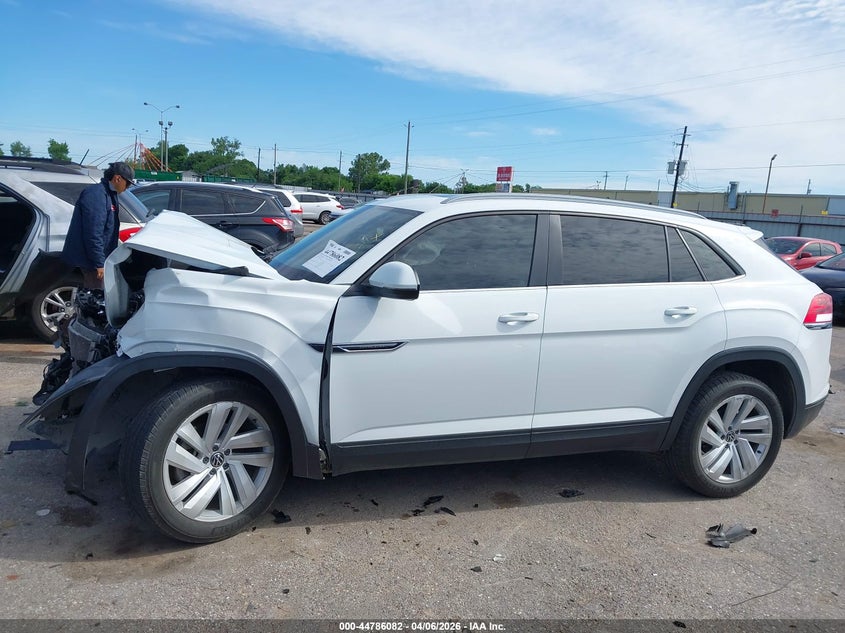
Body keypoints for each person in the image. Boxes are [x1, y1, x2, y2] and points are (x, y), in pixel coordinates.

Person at [61, 161, 135, 289]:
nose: (127, 187)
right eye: (127, 183)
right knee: (96, 297)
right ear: (118, 178)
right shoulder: (96, 195)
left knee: (99, 295)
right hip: (89, 261)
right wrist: (99, 263)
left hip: (97, 258)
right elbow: (93, 233)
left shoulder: (110, 194)